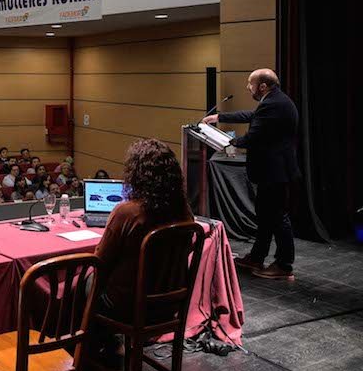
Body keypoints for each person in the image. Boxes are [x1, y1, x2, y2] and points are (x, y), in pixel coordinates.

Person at [202, 68, 300, 280]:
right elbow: (251, 116)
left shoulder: (274, 104)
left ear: (262, 86)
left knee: (276, 217)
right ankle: (257, 257)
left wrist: (226, 140)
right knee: (266, 217)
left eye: (250, 83)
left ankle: (284, 265)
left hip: (275, 172)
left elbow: (252, 137)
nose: (248, 87)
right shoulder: (274, 101)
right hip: (273, 171)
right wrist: (219, 117)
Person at [93, 139, 193, 335]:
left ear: (136, 174)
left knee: (77, 287)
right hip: (169, 305)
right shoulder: (185, 213)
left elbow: (100, 262)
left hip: (127, 307)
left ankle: (91, 350)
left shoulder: (127, 212)